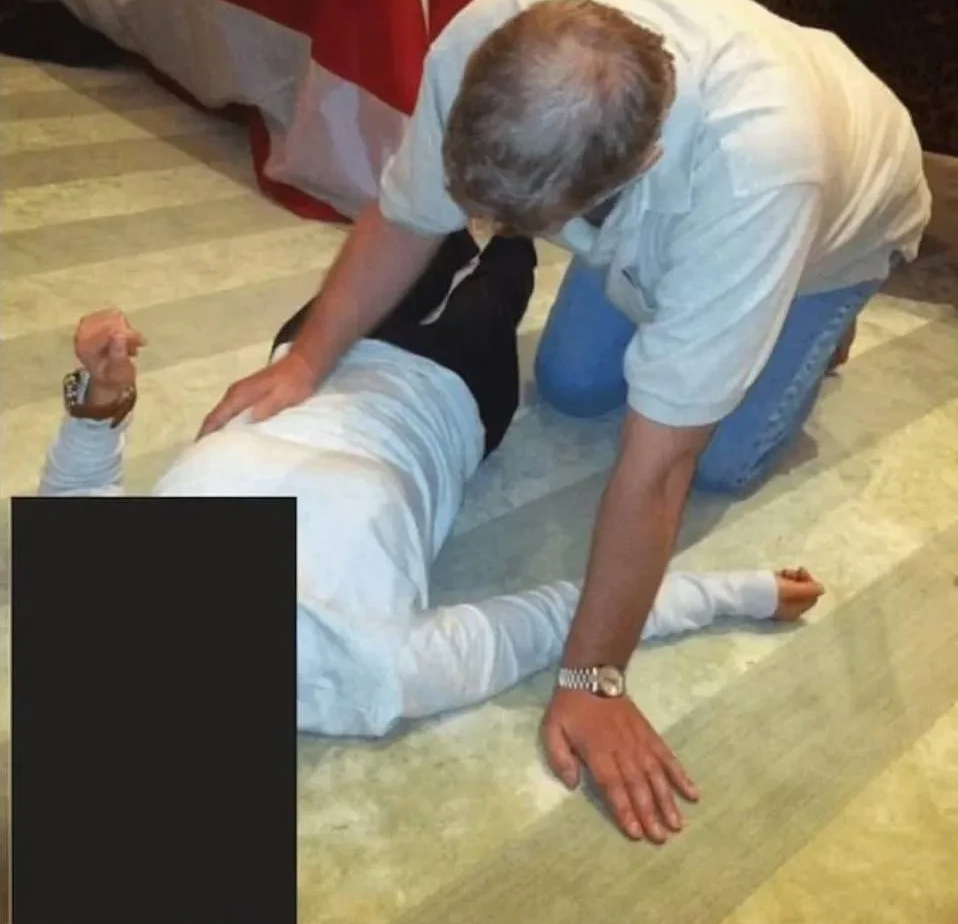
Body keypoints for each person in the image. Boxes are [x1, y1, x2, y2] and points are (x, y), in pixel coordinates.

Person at [200, 0, 929, 842]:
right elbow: (405, 217)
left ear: (641, 162)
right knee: (574, 387)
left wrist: (594, 677)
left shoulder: (758, 178)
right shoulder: (486, 38)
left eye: (530, 221)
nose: (499, 232)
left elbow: (661, 470)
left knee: (720, 461)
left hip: (840, 218)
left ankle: (823, 314)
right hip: (693, 179)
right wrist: (308, 361)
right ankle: (707, 309)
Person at [41, 235, 824, 740]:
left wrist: (101, 389)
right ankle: (511, 235)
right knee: (508, 260)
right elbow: (550, 620)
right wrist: (740, 592)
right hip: (450, 390)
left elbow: (77, 494)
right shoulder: (370, 673)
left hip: (309, 354)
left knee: (424, 222)